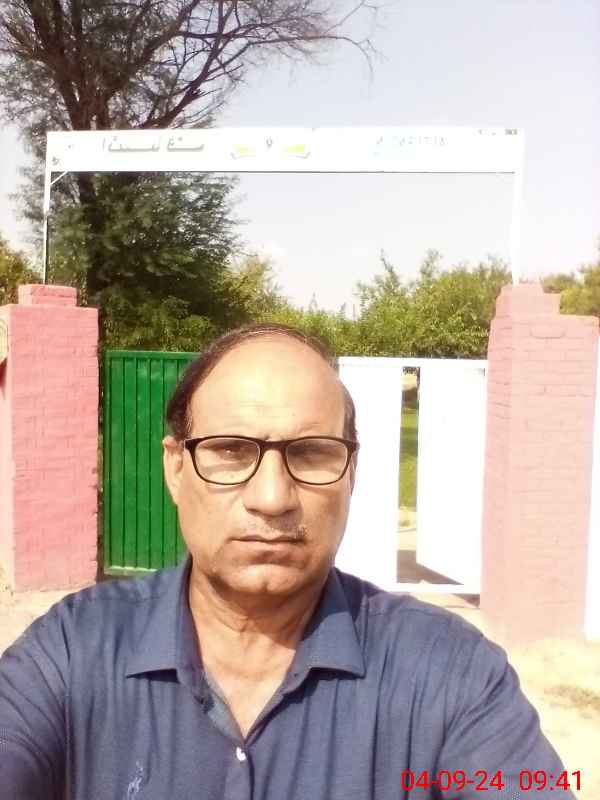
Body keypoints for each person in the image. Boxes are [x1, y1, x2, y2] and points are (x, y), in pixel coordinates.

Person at [0, 323, 575, 800]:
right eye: (230, 451)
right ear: (176, 469)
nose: (272, 498)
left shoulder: (451, 677)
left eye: (311, 453)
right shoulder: (71, 654)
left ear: (351, 474)